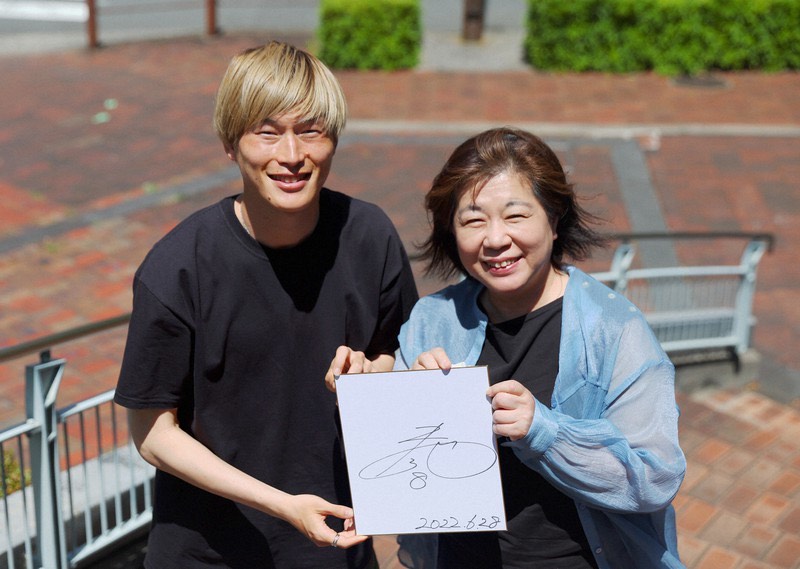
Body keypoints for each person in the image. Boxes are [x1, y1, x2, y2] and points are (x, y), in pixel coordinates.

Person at [114, 41, 418, 569]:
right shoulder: (178, 267)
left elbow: (393, 352)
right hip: (208, 553)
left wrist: (370, 373)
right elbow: (153, 434)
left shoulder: (370, 236)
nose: (292, 154)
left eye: (311, 130)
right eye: (267, 132)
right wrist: (283, 505)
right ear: (230, 143)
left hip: (340, 542)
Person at [330, 127, 686, 568]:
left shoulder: (613, 329)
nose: (495, 239)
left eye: (515, 216)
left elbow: (654, 478)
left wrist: (544, 431)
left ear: (554, 219)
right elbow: (394, 464)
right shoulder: (433, 319)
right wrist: (369, 392)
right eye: (473, 220)